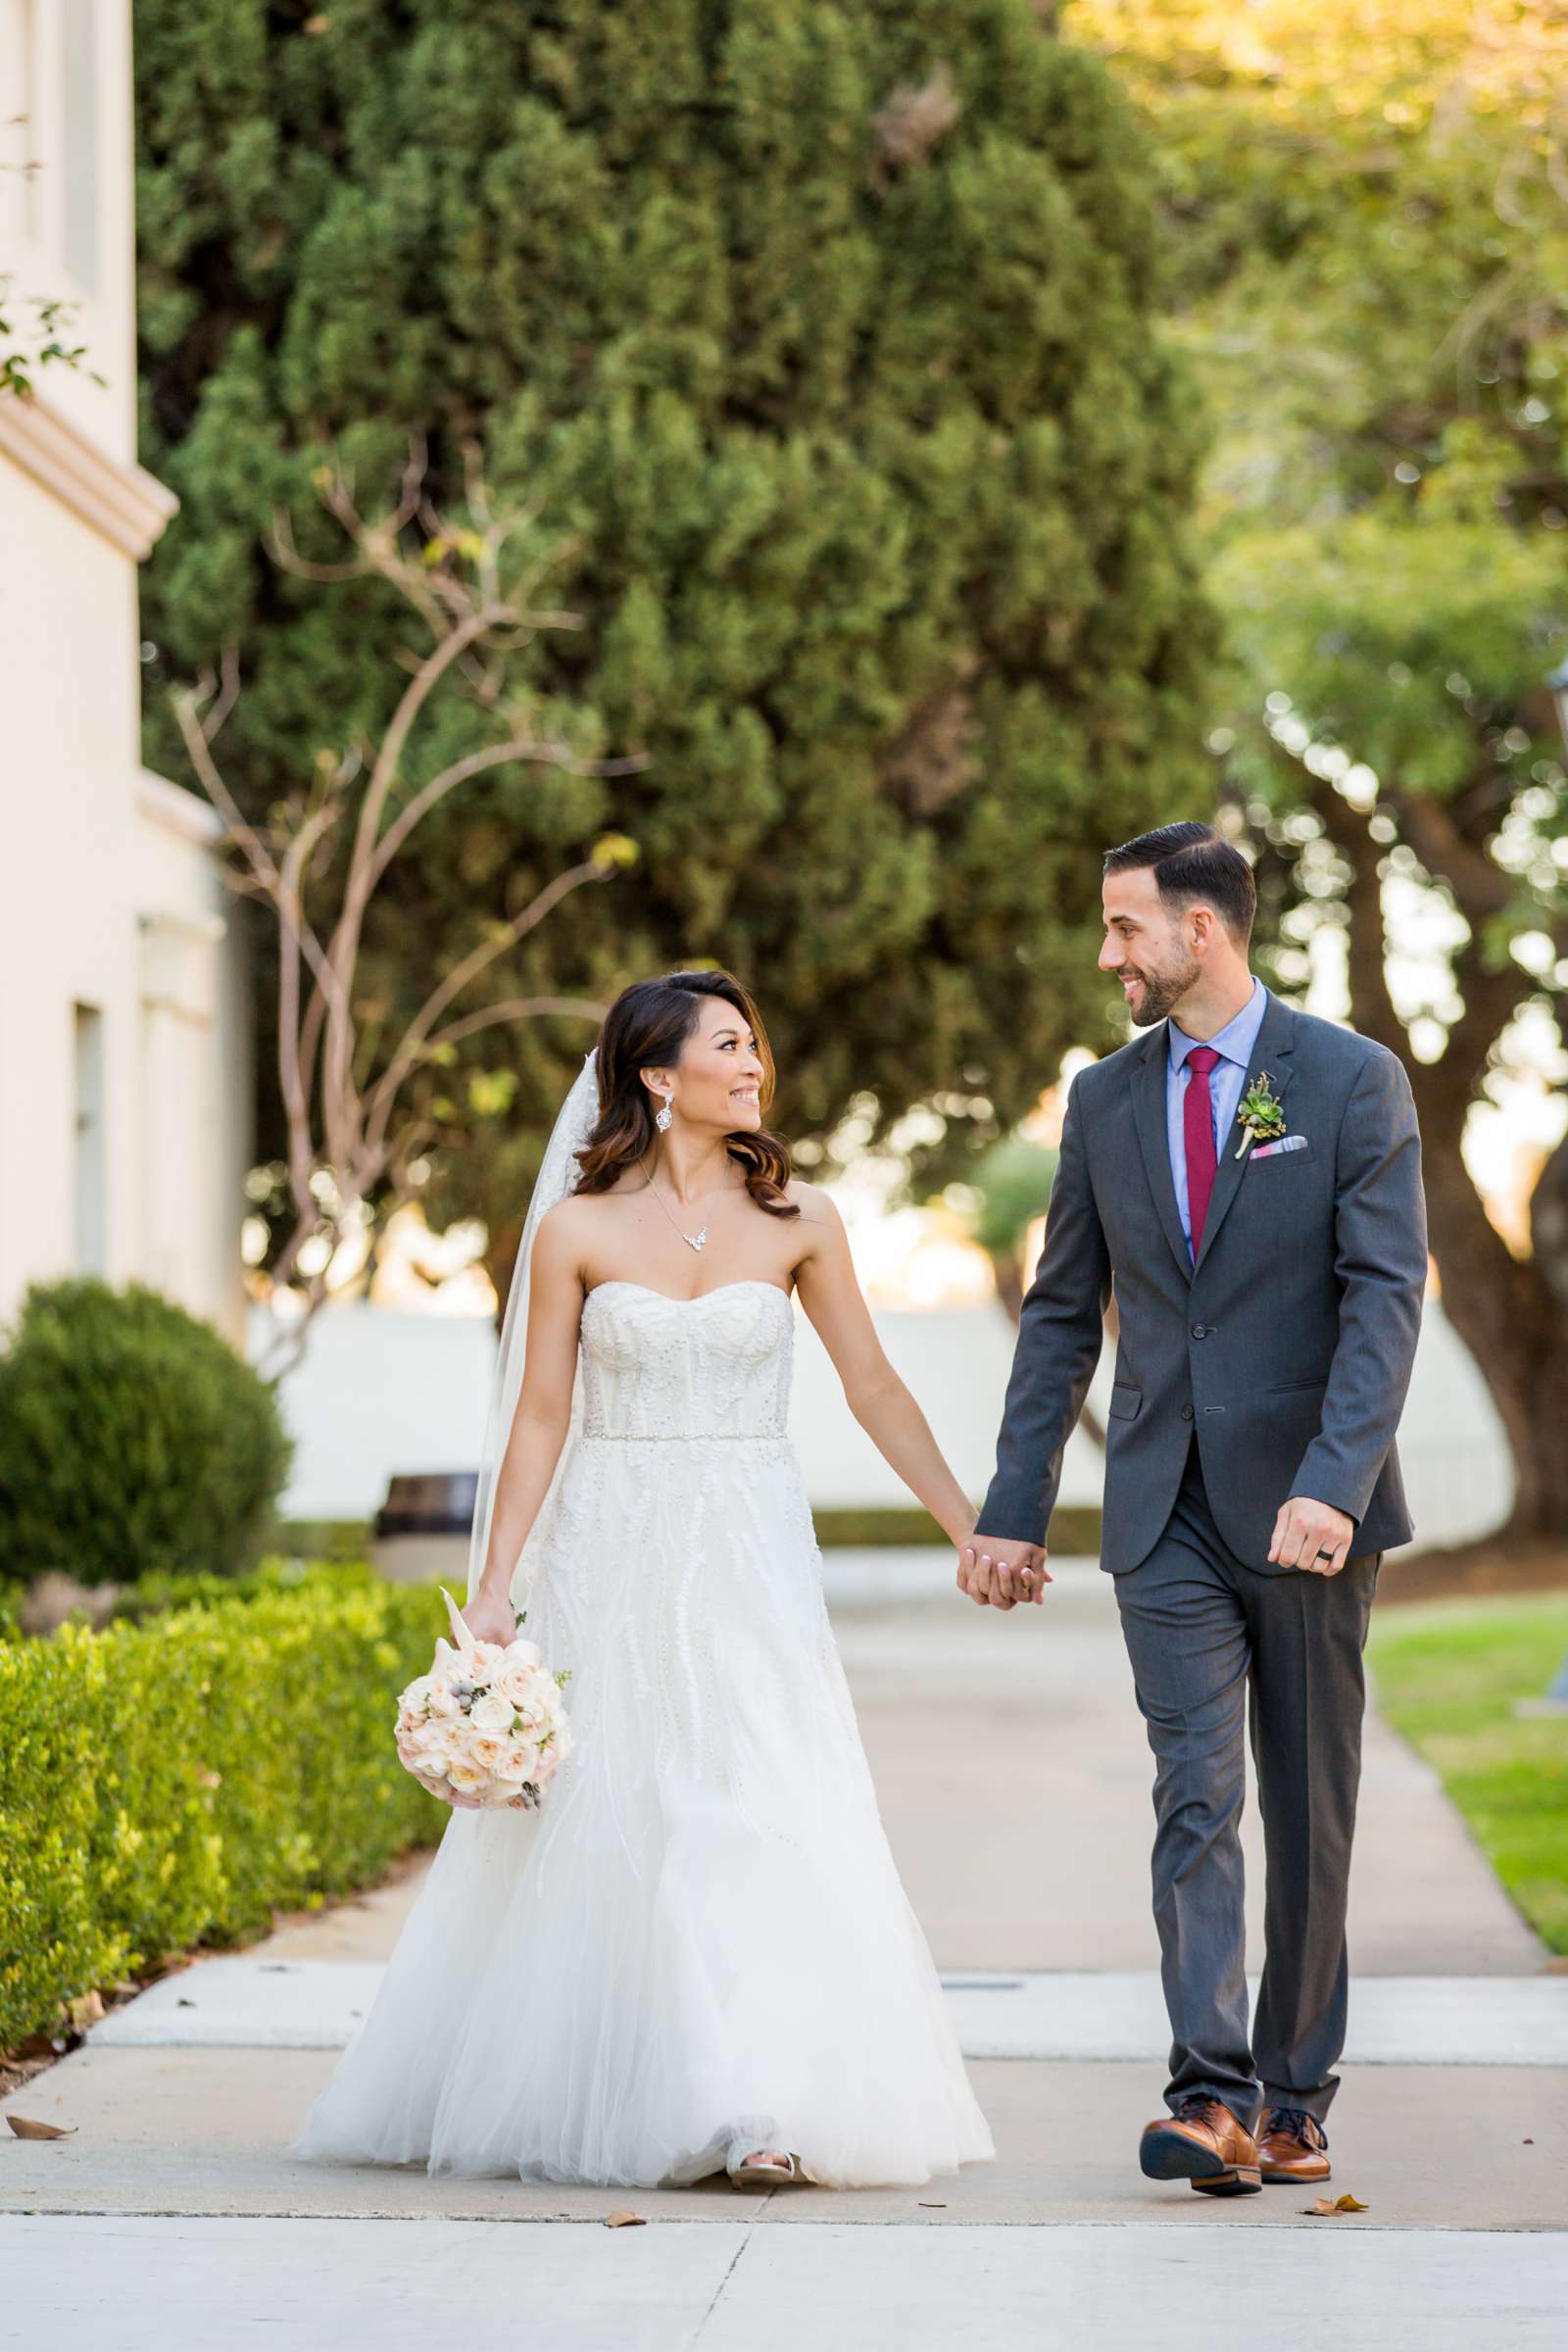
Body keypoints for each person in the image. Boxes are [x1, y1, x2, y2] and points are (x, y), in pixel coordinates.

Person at [289, 968, 995, 2191]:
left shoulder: (802, 1220)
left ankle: (763, 2102)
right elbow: (539, 1418)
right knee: (633, 1813)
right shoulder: (573, 1230)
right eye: (728, 1047)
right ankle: (652, 2086)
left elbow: (872, 1386)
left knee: (754, 1801)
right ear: (659, 1079)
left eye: (754, 1045)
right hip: (610, 1546)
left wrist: (968, 1525)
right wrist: (498, 1586)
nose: (753, 1065)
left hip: (748, 1552)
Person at [960, 822, 1427, 2197]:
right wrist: (1014, 1508)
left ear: (1200, 931)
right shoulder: (1104, 1100)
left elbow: (1384, 1301)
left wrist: (1332, 1486)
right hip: (1160, 1509)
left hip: (1305, 1513)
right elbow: (1061, 1316)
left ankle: (1296, 2099)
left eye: (1124, 928)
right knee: (1196, 1793)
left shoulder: (1349, 1081)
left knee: (1308, 1802)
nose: (1107, 953)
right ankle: (1210, 2095)